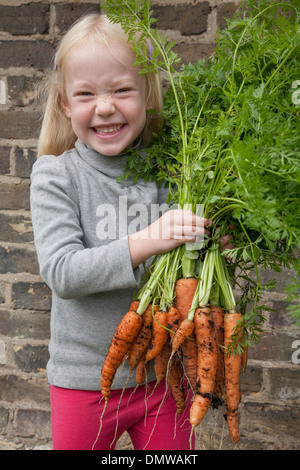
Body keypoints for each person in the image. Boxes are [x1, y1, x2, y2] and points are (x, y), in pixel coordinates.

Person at [30, 13, 233, 451]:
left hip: (165, 376)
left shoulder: (174, 167)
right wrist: (150, 239)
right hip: (83, 381)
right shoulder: (57, 175)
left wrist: (214, 239)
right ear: (65, 104)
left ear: (147, 95)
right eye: (85, 94)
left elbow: (188, 259)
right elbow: (62, 272)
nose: (104, 107)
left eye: (122, 90)